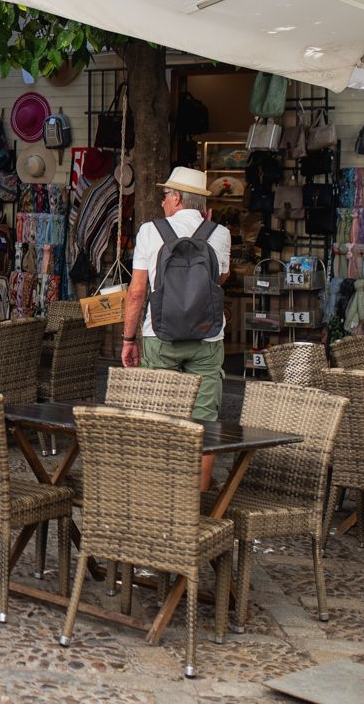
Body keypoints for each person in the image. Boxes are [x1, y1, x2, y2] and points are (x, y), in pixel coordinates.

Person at [121, 166, 231, 490]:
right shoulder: (219, 233)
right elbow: (220, 280)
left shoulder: (149, 231)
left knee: (159, 415)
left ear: (178, 197)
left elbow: (137, 291)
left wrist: (129, 338)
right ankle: (196, 499)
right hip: (208, 337)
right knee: (205, 420)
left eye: (166, 194)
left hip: (161, 336)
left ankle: (160, 491)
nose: (163, 201)